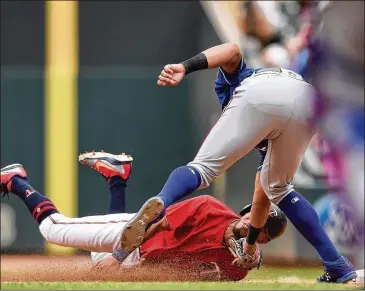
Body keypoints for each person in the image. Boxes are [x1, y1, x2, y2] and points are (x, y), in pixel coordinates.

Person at [119, 43, 357, 283]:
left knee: (202, 169)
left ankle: (163, 200)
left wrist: (185, 66)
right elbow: (262, 194)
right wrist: (250, 245)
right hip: (307, 101)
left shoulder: (236, 83)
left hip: (259, 91)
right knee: (280, 187)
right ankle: (336, 264)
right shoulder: (268, 131)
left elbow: (232, 50)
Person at [0, 151, 287, 281]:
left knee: (100, 265)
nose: (251, 221)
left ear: (264, 238)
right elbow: (151, 222)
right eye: (252, 215)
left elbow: (185, 277)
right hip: (133, 236)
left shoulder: (239, 267)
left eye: (259, 226)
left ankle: (117, 178)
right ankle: (15, 180)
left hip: (140, 259)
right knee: (55, 230)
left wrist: (129, 270)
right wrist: (120, 256)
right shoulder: (209, 209)